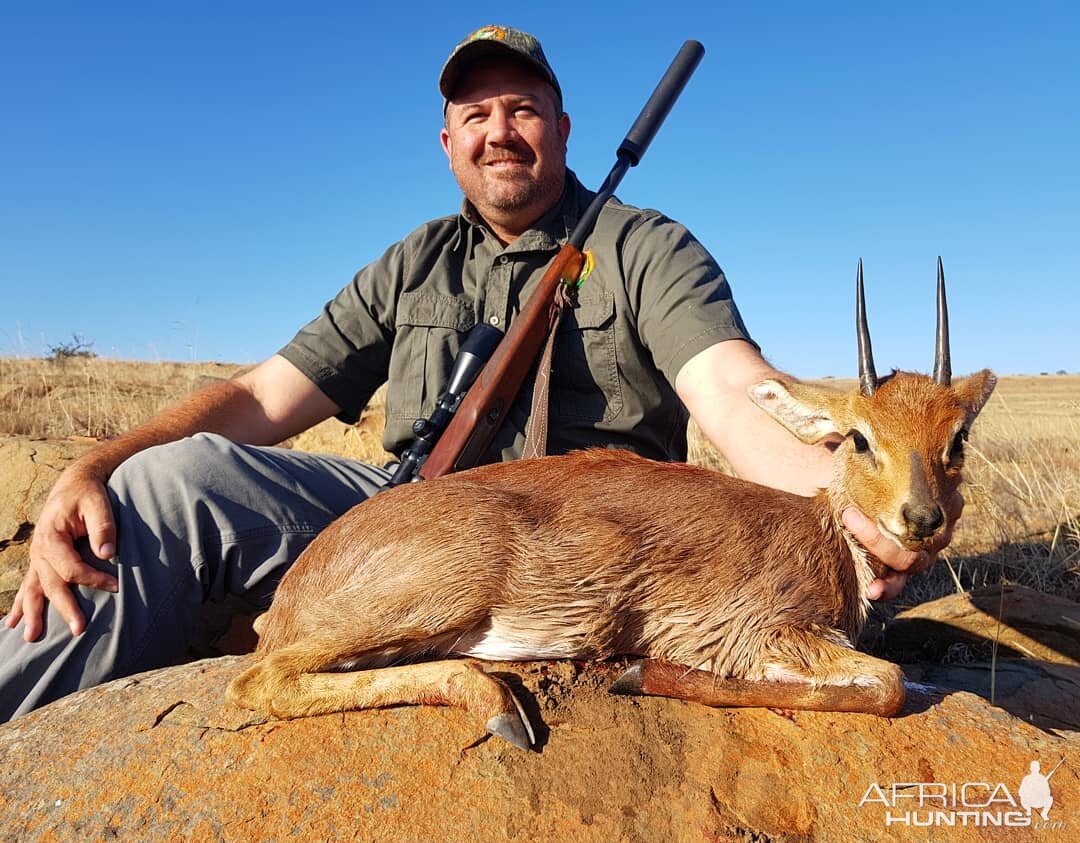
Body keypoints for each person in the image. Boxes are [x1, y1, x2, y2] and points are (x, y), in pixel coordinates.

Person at [0, 25, 956, 721]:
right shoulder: (414, 259)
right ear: (449, 141)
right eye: (477, 113)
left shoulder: (645, 247)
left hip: (587, 525)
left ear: (564, 126)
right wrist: (97, 462)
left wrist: (854, 513)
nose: (501, 129)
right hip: (409, 504)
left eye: (523, 109)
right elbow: (260, 397)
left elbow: (734, 393)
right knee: (167, 483)